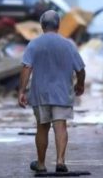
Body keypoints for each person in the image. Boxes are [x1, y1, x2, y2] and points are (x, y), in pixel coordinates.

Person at [18, 10, 86, 173]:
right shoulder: (68, 45)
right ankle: (60, 161)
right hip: (62, 92)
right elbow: (80, 69)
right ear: (58, 25)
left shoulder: (34, 44)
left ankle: (41, 164)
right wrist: (80, 84)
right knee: (60, 126)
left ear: (42, 26)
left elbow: (27, 67)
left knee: (42, 127)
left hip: (40, 93)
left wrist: (22, 91)